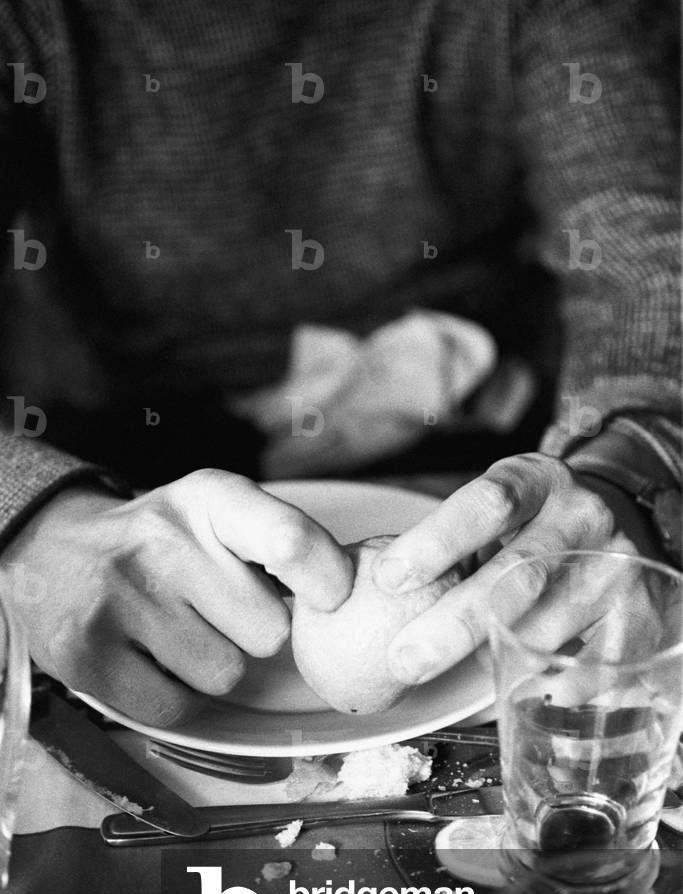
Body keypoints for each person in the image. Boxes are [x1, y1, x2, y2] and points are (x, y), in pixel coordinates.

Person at [0, 0, 679, 725]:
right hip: (103, 468)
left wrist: (628, 470)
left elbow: (645, 266)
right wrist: (31, 520)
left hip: (484, 479)